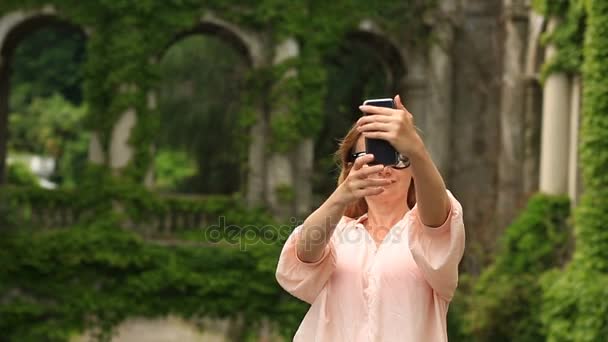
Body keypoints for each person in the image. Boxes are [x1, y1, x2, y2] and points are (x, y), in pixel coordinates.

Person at [275, 95, 466, 341]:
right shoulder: (337, 232)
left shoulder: (427, 229)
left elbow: (438, 221)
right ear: (351, 166)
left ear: (414, 169)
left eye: (398, 157)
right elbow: (303, 256)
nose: (385, 168)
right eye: (372, 157)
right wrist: (341, 196)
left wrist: (416, 148)